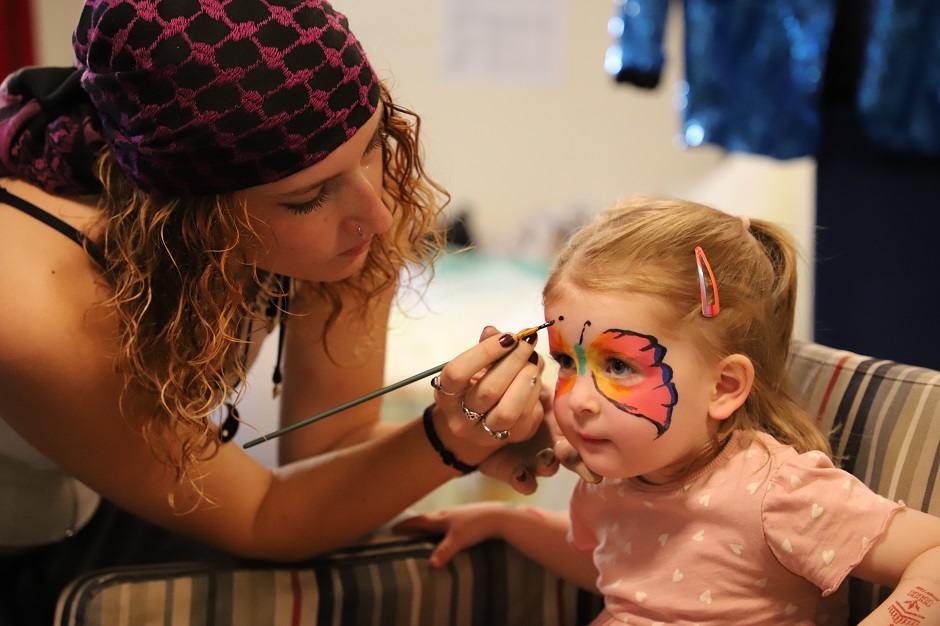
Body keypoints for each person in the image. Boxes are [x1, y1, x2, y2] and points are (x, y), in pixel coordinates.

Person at [0, 1, 555, 622]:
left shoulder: (353, 205)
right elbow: (262, 516)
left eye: (372, 145)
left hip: (95, 506)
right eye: (308, 198)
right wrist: (447, 440)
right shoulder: (33, 303)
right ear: (188, 215)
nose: (377, 215)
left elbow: (330, 445)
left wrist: (481, 433)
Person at [396, 196, 940, 625]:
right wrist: (504, 522)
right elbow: (617, 566)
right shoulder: (613, 478)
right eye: (565, 361)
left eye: (619, 365)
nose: (578, 398)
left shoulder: (775, 491)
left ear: (723, 387)